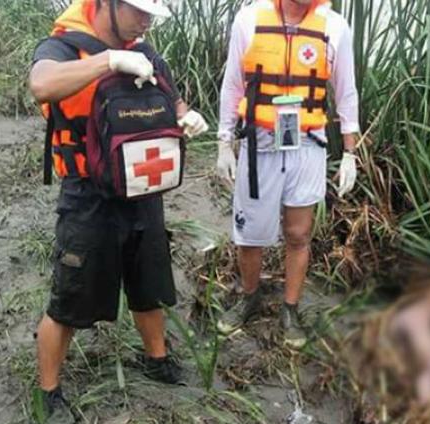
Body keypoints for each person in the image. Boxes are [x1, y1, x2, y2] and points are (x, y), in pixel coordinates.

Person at [28, 0, 208, 421]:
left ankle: (156, 358)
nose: (146, 21)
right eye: (138, 10)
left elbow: (172, 100)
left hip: (143, 188)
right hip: (88, 194)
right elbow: (41, 85)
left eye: (151, 14)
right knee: (70, 296)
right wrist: (109, 61)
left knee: (149, 281)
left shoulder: (145, 52)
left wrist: (186, 117)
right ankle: (48, 392)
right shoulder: (63, 47)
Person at [216, 0, 360, 348]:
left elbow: (346, 92)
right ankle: (249, 296)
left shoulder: (335, 27)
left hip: (308, 143)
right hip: (259, 143)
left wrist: (350, 153)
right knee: (251, 234)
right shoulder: (248, 18)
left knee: (298, 233)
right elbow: (233, 84)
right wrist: (223, 142)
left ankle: (290, 308)